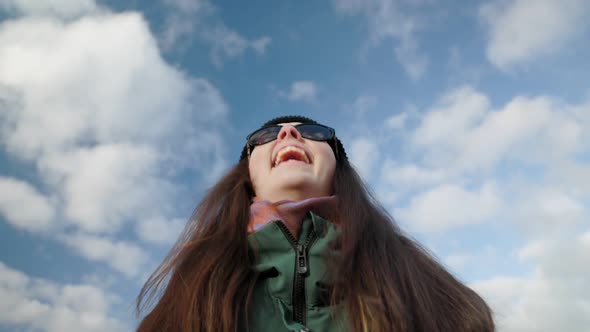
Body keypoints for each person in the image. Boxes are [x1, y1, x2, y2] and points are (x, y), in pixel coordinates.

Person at [136, 115, 495, 332]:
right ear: (246, 173)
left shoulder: (423, 286)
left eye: (312, 130)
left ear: (339, 164)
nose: (288, 134)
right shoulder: (193, 289)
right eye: (263, 137)